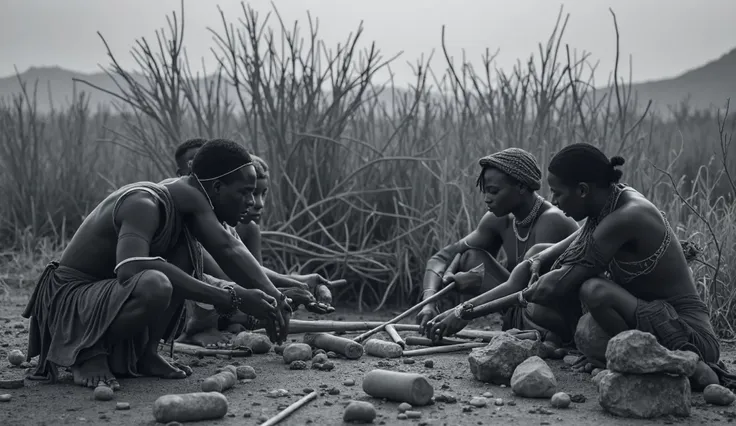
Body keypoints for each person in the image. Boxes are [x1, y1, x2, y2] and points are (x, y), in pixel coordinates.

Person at [435, 142, 733, 389]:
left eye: (558, 193)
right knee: (547, 263)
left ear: (582, 190)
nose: (552, 200)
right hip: (643, 315)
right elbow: (554, 252)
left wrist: (465, 312)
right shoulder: (608, 203)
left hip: (687, 333)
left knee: (594, 291)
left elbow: (557, 285)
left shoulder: (626, 216)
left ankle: (677, 364)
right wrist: (538, 259)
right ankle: (625, 358)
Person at [22, 139, 292, 390]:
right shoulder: (144, 204)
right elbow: (131, 269)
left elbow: (228, 248)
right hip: (72, 301)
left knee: (185, 257)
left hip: (106, 297)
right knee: (156, 282)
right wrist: (230, 297)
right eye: (245, 192)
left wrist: (276, 298)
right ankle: (87, 353)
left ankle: (145, 354)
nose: (251, 201)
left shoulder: (187, 207)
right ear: (217, 188)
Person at [172, 141, 336, 348]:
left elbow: (250, 271)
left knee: (253, 301)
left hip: (214, 291)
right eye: (246, 192)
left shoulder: (221, 220)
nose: (255, 202)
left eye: (259, 193)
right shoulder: (188, 209)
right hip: (184, 298)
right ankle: (198, 329)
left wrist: (295, 284)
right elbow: (224, 274)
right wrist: (282, 295)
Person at [415, 148, 579, 345]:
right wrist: (429, 301)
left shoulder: (551, 221)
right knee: (469, 257)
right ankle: (522, 332)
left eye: (493, 191)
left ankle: (543, 338)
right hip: (517, 307)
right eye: (484, 191)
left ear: (520, 186)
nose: (486, 198)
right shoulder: (498, 220)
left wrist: (464, 310)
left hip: (548, 314)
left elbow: (532, 291)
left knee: (532, 306)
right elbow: (442, 258)